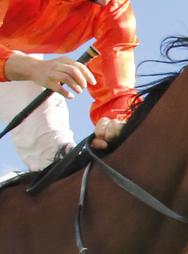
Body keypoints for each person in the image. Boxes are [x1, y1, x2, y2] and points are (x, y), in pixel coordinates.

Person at [0, 0, 139, 173]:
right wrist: (34, 68)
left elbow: (117, 95)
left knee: (55, 157)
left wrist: (117, 122)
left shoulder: (114, 9)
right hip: (13, 57)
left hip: (13, 55)